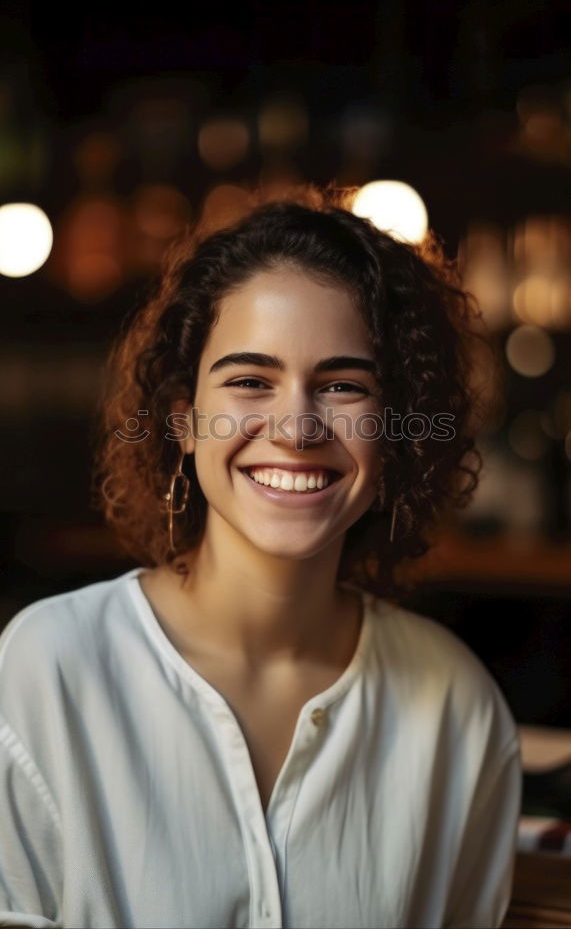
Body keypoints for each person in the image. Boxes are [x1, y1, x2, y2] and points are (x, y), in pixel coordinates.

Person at [0, 184, 521, 928]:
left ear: (394, 431)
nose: (296, 427)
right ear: (183, 422)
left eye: (343, 385)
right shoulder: (50, 668)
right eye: (250, 381)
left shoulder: (454, 708)